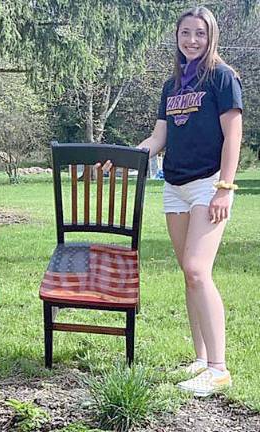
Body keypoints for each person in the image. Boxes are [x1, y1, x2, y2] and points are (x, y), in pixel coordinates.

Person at [98, 6, 242, 397]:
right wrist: (126, 156)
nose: (192, 40)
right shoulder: (172, 85)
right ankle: (200, 358)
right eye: (185, 33)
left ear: (210, 36)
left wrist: (225, 188)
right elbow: (158, 139)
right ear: (177, 37)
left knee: (198, 270)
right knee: (187, 272)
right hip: (174, 186)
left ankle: (218, 368)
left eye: (199, 33)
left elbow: (233, 136)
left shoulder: (223, 78)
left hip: (207, 184)